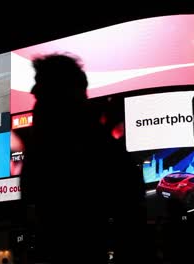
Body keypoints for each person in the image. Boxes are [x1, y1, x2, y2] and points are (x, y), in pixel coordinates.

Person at [21, 53, 146, 263]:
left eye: (42, 87)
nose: (33, 92)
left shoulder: (83, 142)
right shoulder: (97, 139)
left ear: (61, 93)